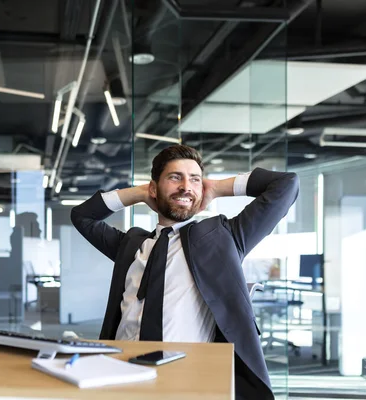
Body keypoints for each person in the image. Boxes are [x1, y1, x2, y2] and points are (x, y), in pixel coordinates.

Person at [71, 144, 299, 399]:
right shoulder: (132, 245)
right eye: (175, 177)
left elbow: (286, 185)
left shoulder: (223, 238)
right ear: (155, 188)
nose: (186, 186)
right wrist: (138, 193)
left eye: (194, 179)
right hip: (122, 376)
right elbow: (82, 217)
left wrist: (218, 187)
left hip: (188, 380)